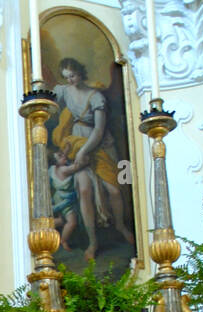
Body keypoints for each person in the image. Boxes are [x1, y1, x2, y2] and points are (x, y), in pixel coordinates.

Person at [51, 58, 135, 262]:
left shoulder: (95, 97)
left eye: (73, 75)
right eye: (66, 76)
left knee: (114, 190)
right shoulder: (64, 91)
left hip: (98, 145)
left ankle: (120, 225)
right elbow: (50, 104)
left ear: (81, 74)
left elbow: (98, 130)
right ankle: (92, 241)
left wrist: (83, 152)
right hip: (77, 143)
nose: (70, 80)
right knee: (84, 189)